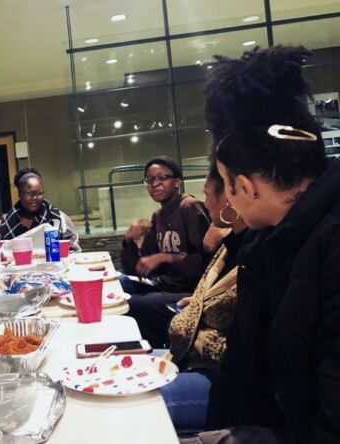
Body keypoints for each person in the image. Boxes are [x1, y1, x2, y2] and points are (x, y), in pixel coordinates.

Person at [192, 46, 340, 443]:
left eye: (223, 184)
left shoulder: (329, 247)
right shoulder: (265, 243)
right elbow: (239, 375)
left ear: (243, 187)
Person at [157, 160, 248, 433]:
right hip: (191, 358)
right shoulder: (230, 244)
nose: (205, 202)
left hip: (223, 380)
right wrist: (198, 302)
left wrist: (196, 318)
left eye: (208, 194)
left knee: (135, 403)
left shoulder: (259, 252)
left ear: (232, 196)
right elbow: (209, 293)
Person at [120, 156, 210, 295]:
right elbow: (140, 268)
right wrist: (129, 239)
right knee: (117, 283)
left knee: (132, 302)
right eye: (149, 180)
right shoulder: (158, 216)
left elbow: (204, 261)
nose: (154, 184)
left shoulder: (190, 207)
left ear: (177, 182)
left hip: (189, 291)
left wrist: (165, 257)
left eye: (162, 178)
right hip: (164, 284)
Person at [0, 167, 81, 252]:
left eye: (39, 193)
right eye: (30, 193)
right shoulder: (5, 222)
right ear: (20, 194)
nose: (35, 197)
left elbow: (74, 248)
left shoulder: (58, 218)